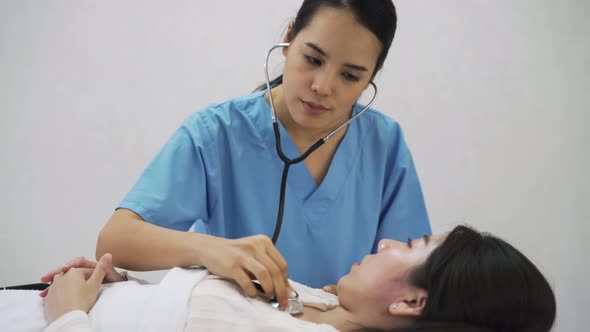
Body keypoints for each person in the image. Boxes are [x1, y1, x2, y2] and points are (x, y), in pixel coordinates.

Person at [95, 0, 431, 307]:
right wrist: (212, 250)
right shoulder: (217, 133)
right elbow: (115, 239)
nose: (322, 86)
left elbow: (415, 282)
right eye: (313, 59)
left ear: (372, 75)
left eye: (349, 75)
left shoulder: (384, 145)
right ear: (288, 39)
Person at [0, 226, 555, 332]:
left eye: (408, 247)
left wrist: (67, 317)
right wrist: (119, 285)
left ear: (413, 300)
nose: (385, 242)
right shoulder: (319, 302)